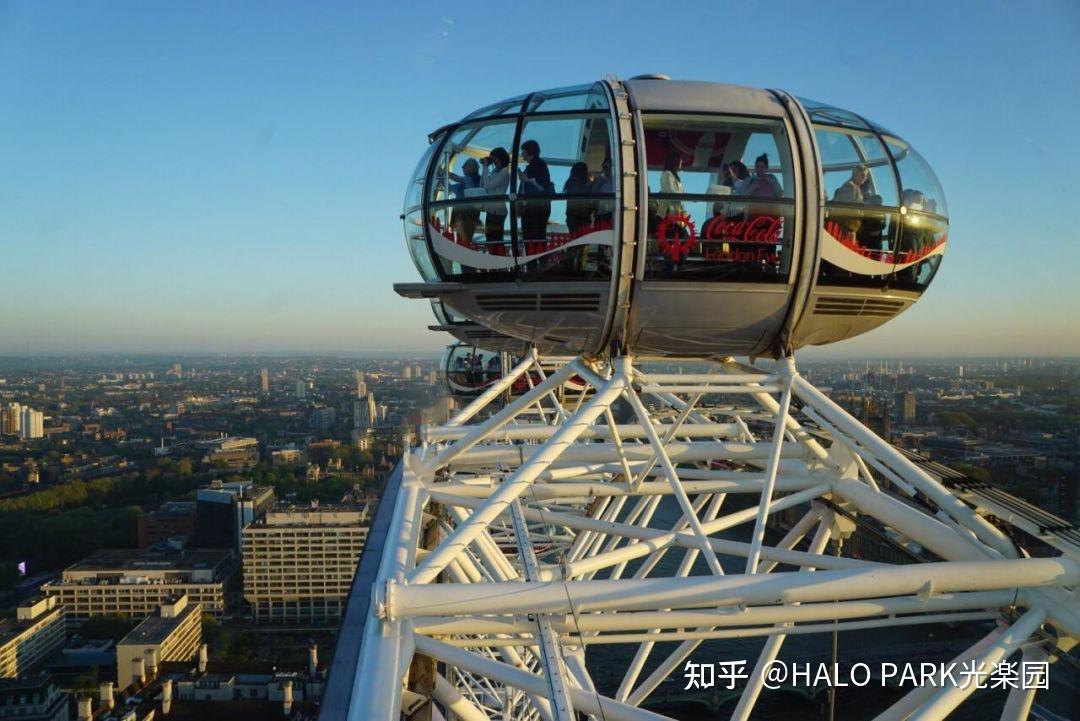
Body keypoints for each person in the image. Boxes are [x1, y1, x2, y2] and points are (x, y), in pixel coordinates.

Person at [518, 139, 553, 255]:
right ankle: (537, 262)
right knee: (537, 239)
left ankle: (533, 263)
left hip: (534, 209)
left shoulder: (537, 165)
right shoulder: (538, 165)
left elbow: (541, 185)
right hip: (535, 209)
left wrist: (527, 180)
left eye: (523, 151)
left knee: (533, 239)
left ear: (529, 151)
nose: (521, 154)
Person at [480, 147, 511, 256]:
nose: (492, 161)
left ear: (499, 159)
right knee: (490, 239)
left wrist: (484, 167)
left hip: (498, 211)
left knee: (496, 240)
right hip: (492, 210)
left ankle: (500, 263)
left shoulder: (504, 172)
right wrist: (485, 168)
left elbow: (488, 185)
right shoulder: (494, 171)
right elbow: (483, 186)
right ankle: (496, 263)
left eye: (493, 159)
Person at [448, 158, 482, 243]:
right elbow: (449, 187)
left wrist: (444, 173)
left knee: (464, 240)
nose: (462, 168)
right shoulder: (462, 184)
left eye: (465, 166)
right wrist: (443, 178)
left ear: (472, 167)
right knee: (462, 239)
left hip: (468, 216)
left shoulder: (475, 180)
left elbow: (456, 178)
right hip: (461, 216)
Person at [831, 164, 868, 239]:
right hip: (846, 228)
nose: (865, 178)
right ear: (855, 174)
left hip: (849, 227)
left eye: (866, 175)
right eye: (862, 175)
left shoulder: (855, 187)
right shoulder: (850, 187)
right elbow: (849, 209)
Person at [563, 161, 595, 235]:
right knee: (581, 242)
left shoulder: (571, 183)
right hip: (578, 217)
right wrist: (591, 184)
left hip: (575, 217)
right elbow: (581, 198)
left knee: (577, 241)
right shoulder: (575, 183)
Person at [656, 150, 685, 220]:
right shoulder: (667, 174)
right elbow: (670, 191)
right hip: (667, 214)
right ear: (675, 160)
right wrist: (686, 196)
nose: (682, 161)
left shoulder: (674, 175)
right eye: (680, 159)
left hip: (675, 213)